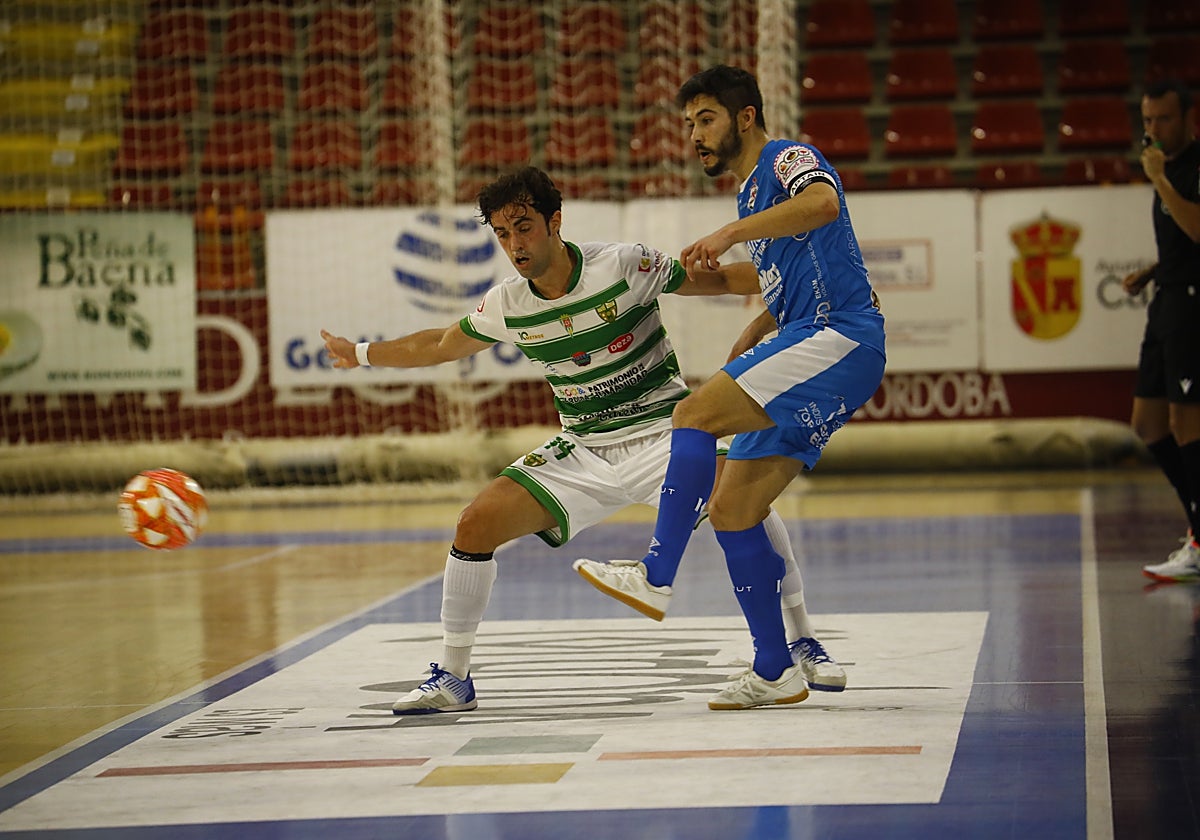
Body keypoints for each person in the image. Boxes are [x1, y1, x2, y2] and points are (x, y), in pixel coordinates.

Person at [321, 166, 846, 715]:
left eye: (523, 227)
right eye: (501, 234)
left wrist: (812, 287)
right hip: (584, 449)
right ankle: (453, 679)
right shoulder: (508, 302)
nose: (514, 245)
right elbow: (440, 343)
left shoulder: (623, 264)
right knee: (474, 524)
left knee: (739, 496)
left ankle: (800, 639)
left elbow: (719, 282)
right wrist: (359, 353)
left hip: (663, 436)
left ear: (555, 221)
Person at [575, 65, 885, 710]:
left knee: (691, 414)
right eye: (688, 123)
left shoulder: (786, 159)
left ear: (745, 117)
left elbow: (825, 204)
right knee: (733, 511)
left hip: (838, 336)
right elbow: (789, 272)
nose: (694, 134)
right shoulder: (751, 196)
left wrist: (726, 234)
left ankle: (656, 574)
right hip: (818, 341)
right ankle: (777, 669)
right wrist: (749, 317)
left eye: (706, 118)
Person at [1122, 79, 1200, 583]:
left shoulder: (1187, 169)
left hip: (1193, 306)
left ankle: (1199, 540)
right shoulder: (1167, 168)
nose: (1152, 130)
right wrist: (1151, 272)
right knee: (1147, 423)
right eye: (1147, 121)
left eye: (1163, 120)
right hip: (1167, 299)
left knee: (1186, 424)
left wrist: (1160, 181)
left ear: (1188, 118)